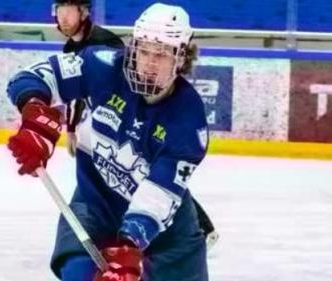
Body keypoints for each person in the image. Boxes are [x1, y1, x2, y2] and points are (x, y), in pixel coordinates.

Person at [6, 2, 282, 281]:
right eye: (144, 50)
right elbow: (33, 76)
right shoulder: (102, 64)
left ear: (182, 59)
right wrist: (35, 114)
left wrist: (129, 250)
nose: (149, 62)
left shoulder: (188, 120)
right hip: (95, 206)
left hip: (167, 230)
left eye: (162, 54)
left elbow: (158, 197)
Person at [54, 0, 219, 249]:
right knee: (145, 175)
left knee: (154, 177)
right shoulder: (73, 47)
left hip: (128, 121)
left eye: (69, 11)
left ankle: (199, 228)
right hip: (106, 122)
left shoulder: (104, 43)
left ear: (84, 13)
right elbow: (77, 91)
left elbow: (124, 83)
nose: (64, 18)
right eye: (60, 11)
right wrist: (71, 127)